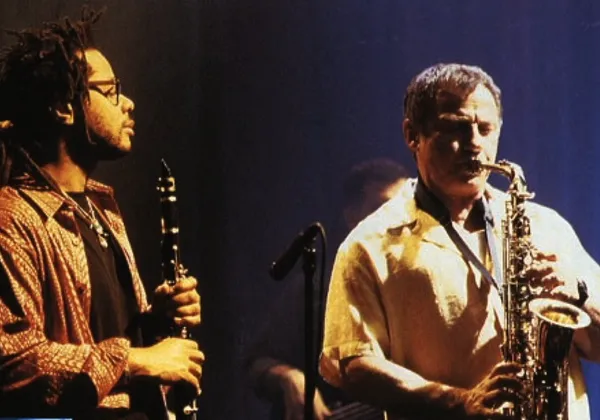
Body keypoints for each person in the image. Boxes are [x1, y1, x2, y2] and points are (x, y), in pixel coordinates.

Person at [319, 63, 600, 420]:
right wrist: (458, 402)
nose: (474, 144)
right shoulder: (368, 245)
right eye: (455, 128)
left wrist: (580, 296)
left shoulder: (547, 226)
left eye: (485, 129)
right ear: (412, 134)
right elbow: (352, 366)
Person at [0, 9, 203, 420]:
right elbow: (12, 360)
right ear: (64, 108)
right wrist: (137, 361)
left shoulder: (102, 208)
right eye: (111, 91)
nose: (127, 103)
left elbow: (101, 335)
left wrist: (155, 322)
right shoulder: (13, 218)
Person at [245, 158, 409, 420]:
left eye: (403, 208)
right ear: (352, 216)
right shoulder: (317, 287)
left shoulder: (425, 283)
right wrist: (290, 378)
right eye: (381, 208)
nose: (396, 219)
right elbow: (257, 361)